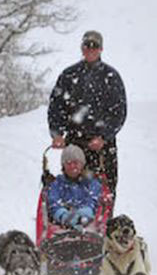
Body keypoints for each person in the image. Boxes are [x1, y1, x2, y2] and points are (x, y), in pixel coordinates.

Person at [48, 29, 127, 195]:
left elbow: (119, 112)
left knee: (105, 193)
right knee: (71, 191)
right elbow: (56, 107)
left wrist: (103, 137)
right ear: (82, 48)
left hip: (103, 148)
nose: (90, 49)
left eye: (94, 46)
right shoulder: (69, 75)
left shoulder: (111, 77)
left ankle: (103, 221)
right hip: (74, 142)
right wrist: (56, 134)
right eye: (87, 45)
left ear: (101, 49)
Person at [46, 144, 102, 229]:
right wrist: (63, 215)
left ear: (82, 164)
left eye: (75, 163)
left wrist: (85, 213)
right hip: (60, 226)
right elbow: (53, 202)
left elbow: (94, 199)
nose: (72, 166)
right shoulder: (56, 184)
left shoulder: (91, 183)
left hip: (89, 224)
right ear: (63, 166)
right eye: (68, 163)